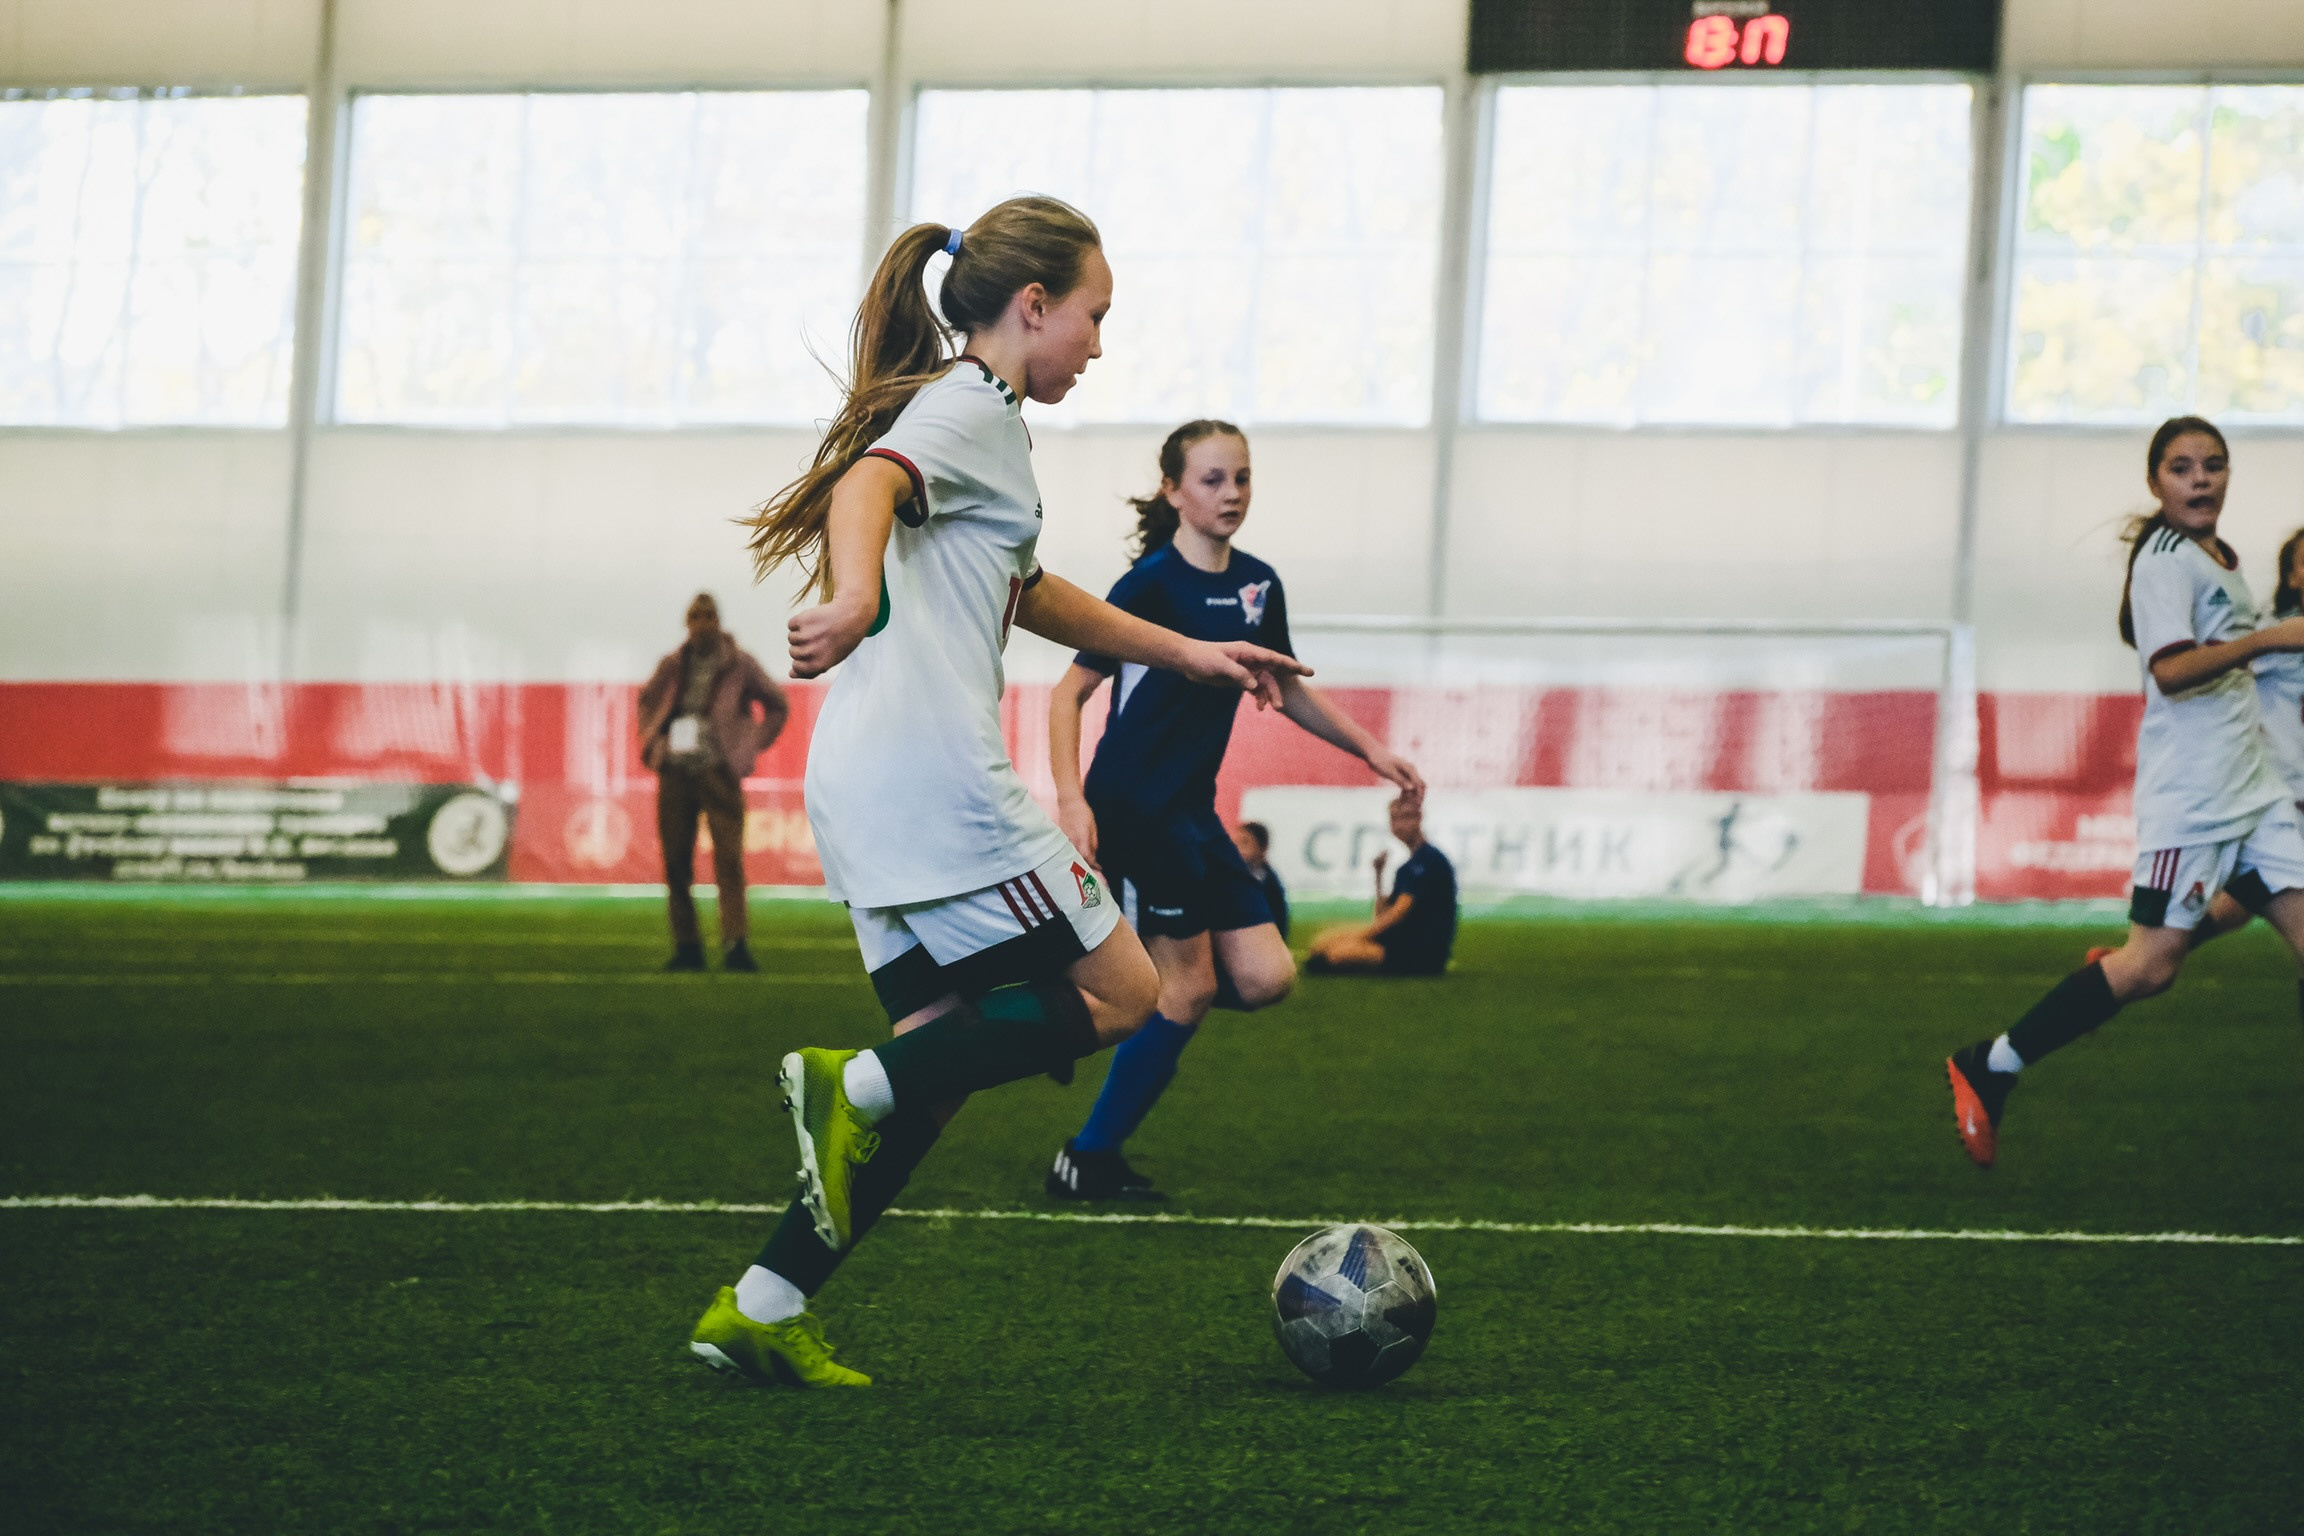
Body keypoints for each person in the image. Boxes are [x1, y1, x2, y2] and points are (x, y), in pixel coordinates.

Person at [686, 198, 1306, 1388]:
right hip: (941, 784)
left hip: (866, 786)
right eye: (1095, 316)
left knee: (941, 1066)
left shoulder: (985, 425)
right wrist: (858, 594)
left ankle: (760, 1306)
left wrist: (1187, 651)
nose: (1100, 343)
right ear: (1034, 308)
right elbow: (867, 485)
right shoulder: (968, 408)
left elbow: (1030, 592)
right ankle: (845, 1083)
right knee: (1126, 990)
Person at [1040, 421, 1423, 1202]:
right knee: (1188, 988)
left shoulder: (1259, 585)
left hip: (1192, 810)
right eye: (1212, 480)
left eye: (1241, 478)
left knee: (1267, 976)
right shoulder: (1149, 584)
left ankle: (1064, 998)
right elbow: (1068, 693)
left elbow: (1285, 690)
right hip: (1137, 805)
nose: (1232, 494)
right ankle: (1086, 1157)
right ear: (1174, 491)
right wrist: (1071, 799)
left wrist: (1370, 750)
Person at [1947, 418, 2304, 1169]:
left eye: (2213, 465)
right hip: (2196, 799)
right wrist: (2269, 641)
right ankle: (1993, 1063)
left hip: (2257, 791)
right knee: (2151, 968)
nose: (2201, 479)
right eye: (2182, 468)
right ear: (2156, 483)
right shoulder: (2165, 560)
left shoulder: (2215, 555)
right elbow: (2170, 670)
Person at [2086, 524, 2304, 962]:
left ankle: (2124, 965)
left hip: (2270, 797)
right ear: (2293, 576)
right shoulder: (2277, 633)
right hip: (2272, 791)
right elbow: (2191, 667)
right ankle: (2125, 967)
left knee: (2240, 912)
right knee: (2159, 958)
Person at [636, 593, 787, 972]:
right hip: (675, 771)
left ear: (718, 621)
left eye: (708, 616)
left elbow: (777, 704)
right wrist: (653, 741)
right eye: (695, 617)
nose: (702, 623)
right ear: (688, 623)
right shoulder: (672, 664)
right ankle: (687, 946)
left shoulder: (740, 664)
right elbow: (646, 699)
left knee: (729, 860)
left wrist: (749, 744)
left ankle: (736, 944)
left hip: (718, 771)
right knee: (675, 862)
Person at [1304, 793, 1458, 977]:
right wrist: (1378, 876)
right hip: (1398, 941)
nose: (1399, 825)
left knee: (1335, 953)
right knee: (1321, 943)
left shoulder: (1429, 861)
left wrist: (1361, 936)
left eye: (1406, 817)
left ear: (1419, 819)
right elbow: (1382, 915)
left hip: (1419, 951)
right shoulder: (1407, 867)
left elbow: (1398, 912)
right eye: (1394, 819)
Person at [1232, 820, 1288, 941]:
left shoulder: (1270, 885)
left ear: (1262, 847)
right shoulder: (1231, 878)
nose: (1238, 849)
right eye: (1235, 843)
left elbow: (1279, 923)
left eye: (1245, 843)